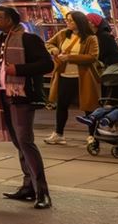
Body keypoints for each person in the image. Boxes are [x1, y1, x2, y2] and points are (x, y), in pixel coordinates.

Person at [0, 4, 55, 209]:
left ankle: (43, 192)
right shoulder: (1, 40)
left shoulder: (28, 39)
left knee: (25, 141)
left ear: (10, 20)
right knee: (18, 142)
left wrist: (18, 69)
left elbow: (47, 65)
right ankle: (28, 187)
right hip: (4, 96)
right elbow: (1, 70)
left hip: (21, 96)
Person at [44, 12, 102, 144]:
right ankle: (59, 133)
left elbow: (92, 57)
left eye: (71, 20)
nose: (67, 22)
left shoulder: (90, 38)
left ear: (79, 22)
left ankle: (92, 135)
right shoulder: (63, 34)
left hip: (83, 76)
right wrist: (53, 50)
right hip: (64, 75)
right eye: (67, 20)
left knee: (89, 106)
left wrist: (70, 57)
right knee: (62, 105)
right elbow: (48, 43)